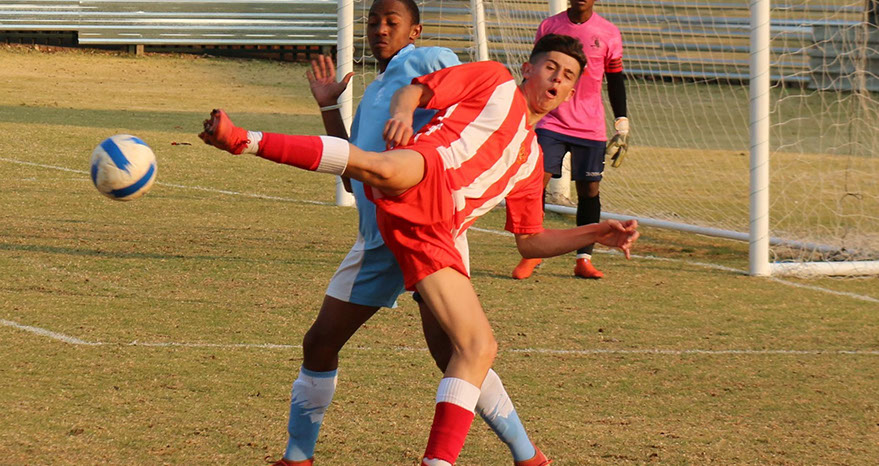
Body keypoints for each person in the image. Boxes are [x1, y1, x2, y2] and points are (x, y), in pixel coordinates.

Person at [200, 33, 639, 465]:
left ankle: (526, 456)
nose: (557, 79)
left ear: (571, 92)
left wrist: (595, 232)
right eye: (550, 68)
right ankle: (245, 139)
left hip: (435, 233)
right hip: (423, 178)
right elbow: (416, 90)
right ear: (528, 69)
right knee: (383, 175)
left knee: (463, 351)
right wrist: (404, 113)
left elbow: (531, 240)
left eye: (568, 76)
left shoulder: (531, 160)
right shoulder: (494, 79)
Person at [265, 1, 552, 464]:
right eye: (373, 22)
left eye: (391, 22)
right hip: (378, 239)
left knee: (459, 351)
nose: (380, 29)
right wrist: (329, 106)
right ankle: (297, 457)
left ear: (414, 30)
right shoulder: (373, 94)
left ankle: (526, 454)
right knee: (320, 343)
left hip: (427, 224)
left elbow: (460, 106)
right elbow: (352, 175)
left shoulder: (429, 59)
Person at [512, 0, 630, 280]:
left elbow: (615, 78)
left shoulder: (609, 32)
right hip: (550, 120)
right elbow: (536, 72)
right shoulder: (549, 26)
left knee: (589, 190)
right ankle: (532, 252)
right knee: (536, 181)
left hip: (590, 126)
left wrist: (622, 121)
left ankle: (583, 259)